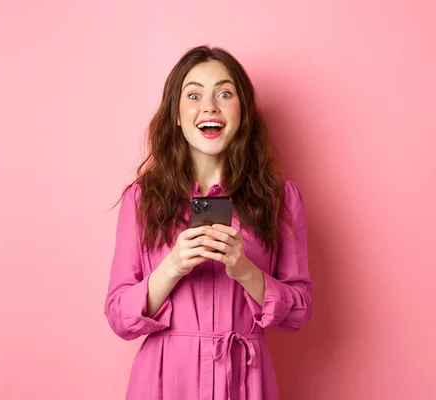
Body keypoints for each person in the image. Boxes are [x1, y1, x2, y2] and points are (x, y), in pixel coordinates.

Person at [104, 45, 312, 400]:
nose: (210, 106)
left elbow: (299, 311)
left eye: (225, 93)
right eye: (194, 94)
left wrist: (245, 269)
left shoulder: (279, 200)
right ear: (176, 115)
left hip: (245, 383)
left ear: (243, 112)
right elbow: (119, 317)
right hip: (165, 383)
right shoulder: (143, 200)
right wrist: (173, 266)